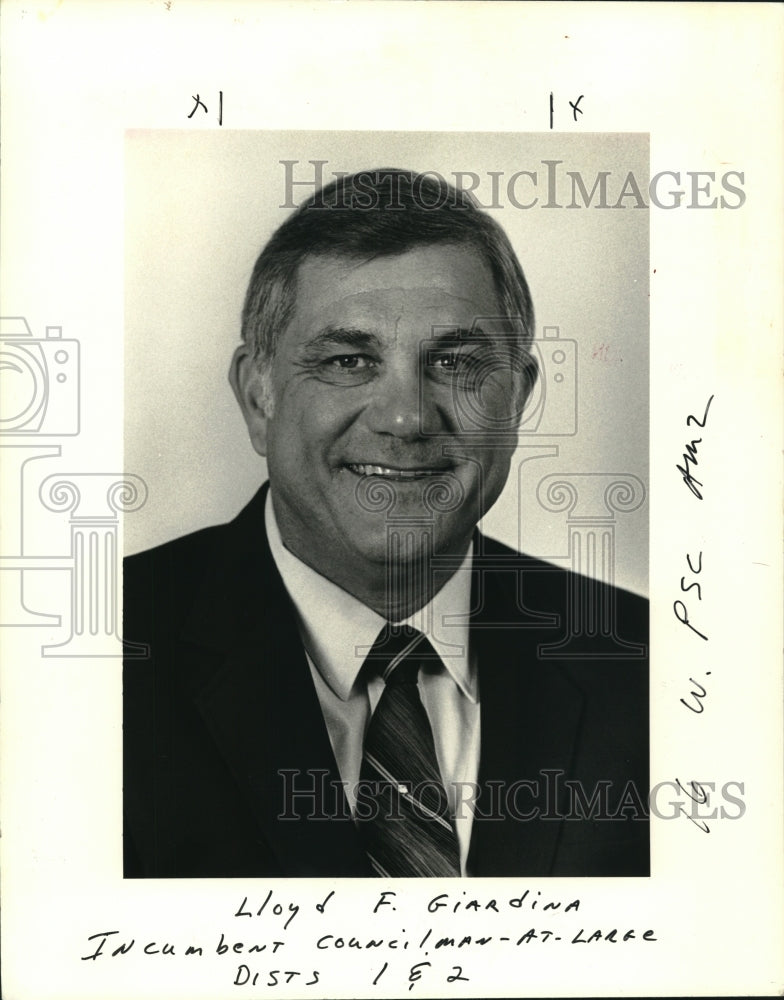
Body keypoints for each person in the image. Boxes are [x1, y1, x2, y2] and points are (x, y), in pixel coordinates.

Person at [123, 168, 649, 878]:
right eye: (348, 361)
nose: (405, 417)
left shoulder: (648, 669)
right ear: (258, 396)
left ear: (517, 400)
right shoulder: (95, 662)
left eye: (456, 363)